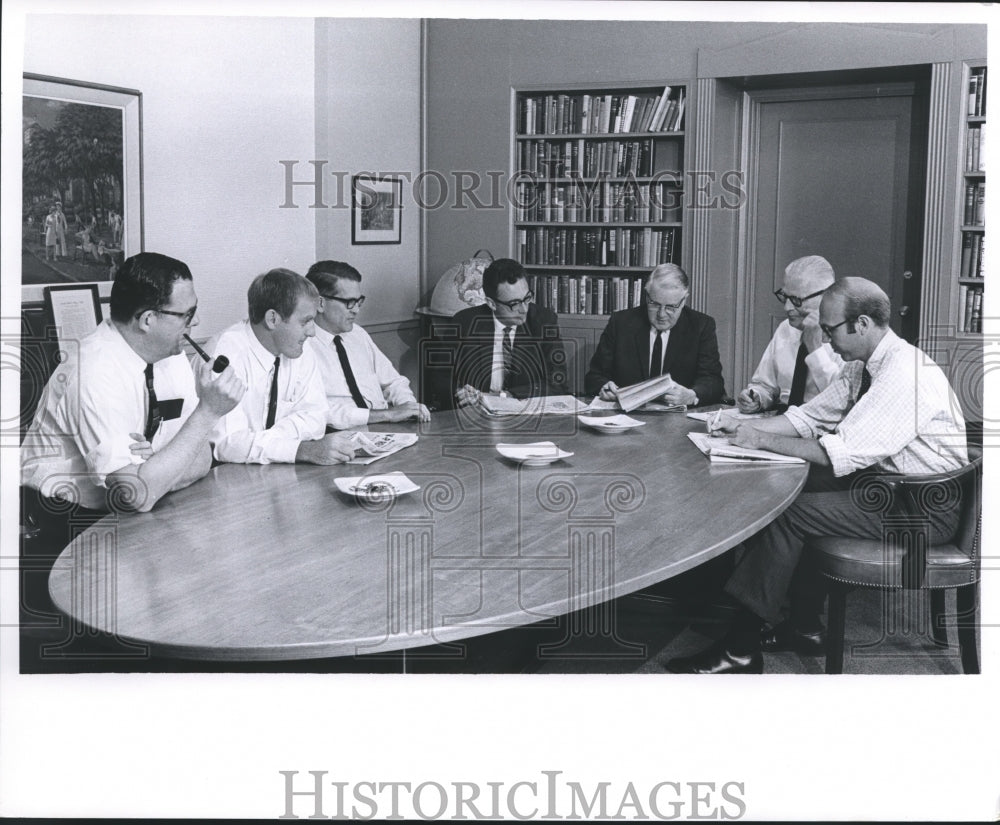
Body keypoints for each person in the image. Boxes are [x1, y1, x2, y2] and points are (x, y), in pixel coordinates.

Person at [666, 277, 968, 674]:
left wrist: (760, 439)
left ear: (862, 324)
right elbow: (810, 417)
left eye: (830, 331)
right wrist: (737, 429)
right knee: (778, 485)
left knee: (790, 511)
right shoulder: (863, 364)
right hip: (887, 486)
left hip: (922, 510)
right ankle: (803, 626)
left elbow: (838, 452)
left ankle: (740, 646)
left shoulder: (903, 374)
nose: (825, 341)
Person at [21, 251, 247, 522]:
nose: (195, 323)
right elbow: (134, 493)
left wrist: (154, 474)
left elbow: (202, 458)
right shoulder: (93, 372)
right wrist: (207, 413)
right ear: (148, 320)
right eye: (188, 315)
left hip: (140, 507)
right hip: (63, 518)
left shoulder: (170, 355)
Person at [207, 268, 356, 465]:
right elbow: (228, 443)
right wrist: (298, 449)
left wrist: (270, 442)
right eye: (306, 322)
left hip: (277, 469)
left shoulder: (300, 347)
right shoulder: (225, 354)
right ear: (272, 319)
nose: (312, 332)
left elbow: (316, 417)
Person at [427, 257, 569, 409]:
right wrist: (461, 393)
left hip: (525, 413)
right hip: (477, 416)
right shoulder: (465, 323)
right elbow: (441, 378)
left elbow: (558, 383)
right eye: (514, 304)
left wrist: (506, 396)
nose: (524, 309)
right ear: (491, 303)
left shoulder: (544, 321)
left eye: (527, 298)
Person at [304, 260, 430, 429]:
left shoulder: (357, 334)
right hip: (339, 434)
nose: (356, 310)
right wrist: (387, 415)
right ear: (320, 303)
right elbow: (320, 411)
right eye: (349, 302)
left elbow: (393, 382)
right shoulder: (303, 347)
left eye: (359, 301)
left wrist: (409, 407)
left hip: (386, 429)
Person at [584, 263, 725, 406]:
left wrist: (692, 395)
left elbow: (713, 381)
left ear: (683, 301)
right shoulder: (621, 323)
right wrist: (605, 387)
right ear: (647, 297)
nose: (661, 314)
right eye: (655, 304)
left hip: (678, 420)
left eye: (671, 307)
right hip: (627, 418)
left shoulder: (701, 326)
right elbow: (594, 377)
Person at [737, 255, 841, 413]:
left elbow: (842, 400)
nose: (787, 307)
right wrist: (757, 398)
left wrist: (815, 350)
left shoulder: (847, 336)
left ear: (825, 296)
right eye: (785, 297)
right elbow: (765, 386)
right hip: (782, 418)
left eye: (796, 300)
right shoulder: (785, 328)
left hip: (822, 424)